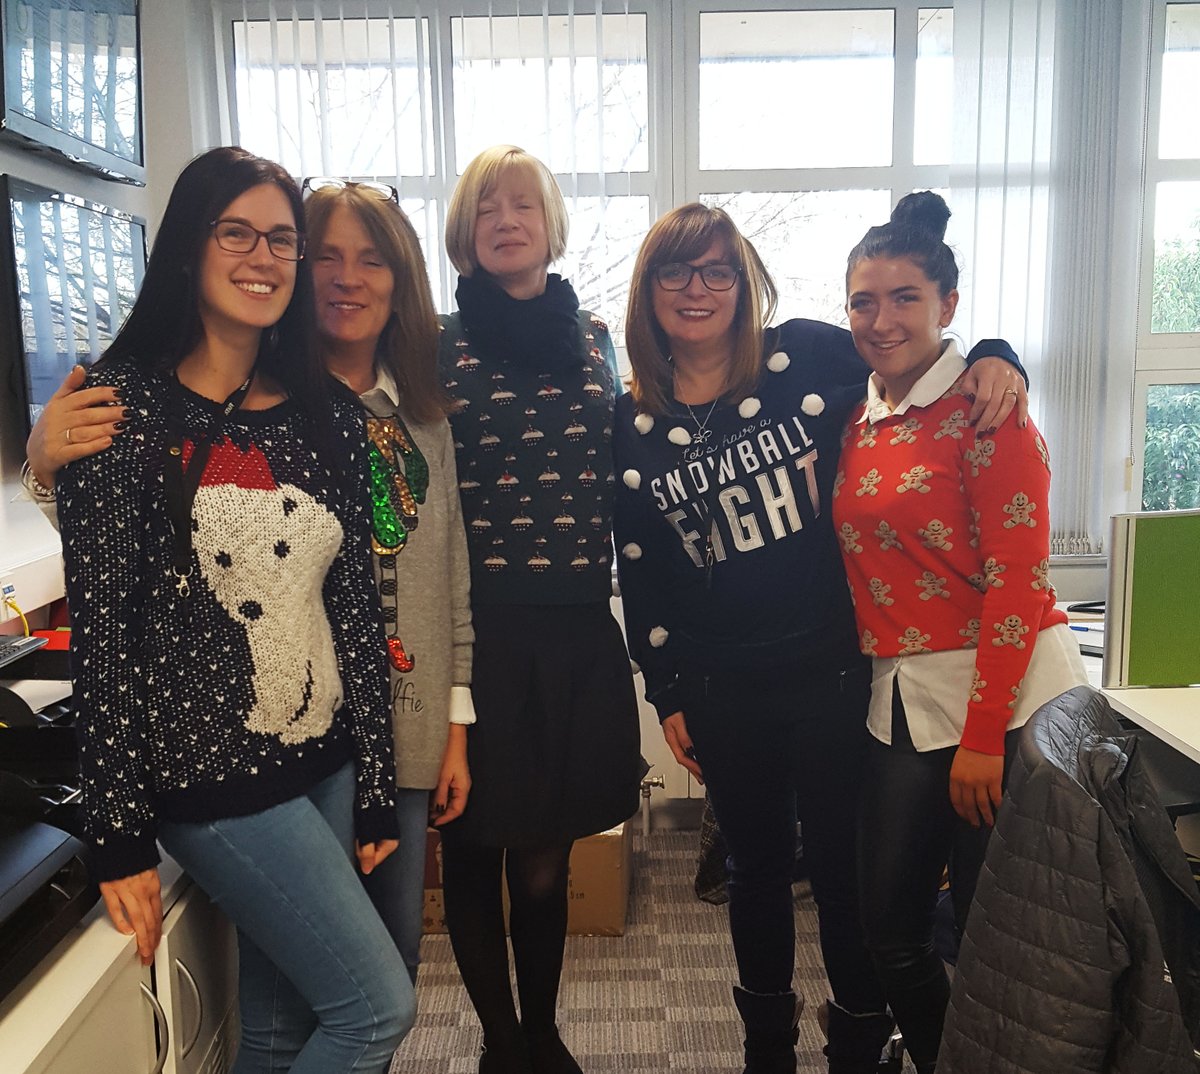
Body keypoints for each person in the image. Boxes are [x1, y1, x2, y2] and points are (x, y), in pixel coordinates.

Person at [26, 178, 476, 992]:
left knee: (290, 1021)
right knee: (375, 1005)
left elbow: (363, 612)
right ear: (189, 246)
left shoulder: (331, 415)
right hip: (211, 771)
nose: (267, 258)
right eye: (237, 234)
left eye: (279, 240)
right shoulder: (122, 406)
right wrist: (117, 831)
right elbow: (114, 618)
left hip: (342, 747)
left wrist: (388, 773)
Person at [612, 202, 1026, 1074]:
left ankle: (857, 1043)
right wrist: (668, 690)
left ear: (746, 282)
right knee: (755, 872)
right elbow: (642, 566)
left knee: (844, 877)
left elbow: (914, 353)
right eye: (676, 273)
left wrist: (998, 355)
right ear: (649, 292)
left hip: (837, 675)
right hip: (723, 691)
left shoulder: (808, 354)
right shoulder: (634, 420)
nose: (698, 290)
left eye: (718, 271)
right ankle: (768, 1046)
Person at [833, 192, 1086, 1074]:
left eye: (905, 297)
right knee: (891, 931)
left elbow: (1019, 584)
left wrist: (984, 739)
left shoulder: (988, 412)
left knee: (992, 939)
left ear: (947, 303)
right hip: (902, 698)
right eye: (864, 299)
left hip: (1008, 701)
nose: (881, 318)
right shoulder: (862, 417)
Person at [436, 144, 645, 1074]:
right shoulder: (434, 343)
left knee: (547, 857)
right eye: (488, 208)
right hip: (476, 632)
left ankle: (545, 1028)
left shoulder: (596, 337)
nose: (507, 220)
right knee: (476, 850)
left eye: (523, 204)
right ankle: (501, 1041)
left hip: (573, 631)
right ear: (466, 231)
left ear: (551, 223)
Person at [303, 178, 475, 985]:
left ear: (400, 281)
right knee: (317, 976)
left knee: (393, 960)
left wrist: (456, 731)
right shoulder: (266, 410)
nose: (348, 278)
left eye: (371, 260)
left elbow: (452, 590)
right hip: (296, 742)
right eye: (327, 257)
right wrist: (48, 472)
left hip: (407, 734)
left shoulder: (426, 423)